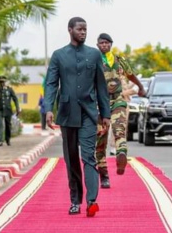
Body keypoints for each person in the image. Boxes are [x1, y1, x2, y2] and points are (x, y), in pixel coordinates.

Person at [44, 16, 111, 217]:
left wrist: (105, 113)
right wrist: (48, 108)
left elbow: (101, 85)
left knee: (88, 156)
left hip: (89, 113)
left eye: (85, 29)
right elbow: (51, 84)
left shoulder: (94, 54)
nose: (83, 32)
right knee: (71, 159)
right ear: (70, 30)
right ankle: (75, 200)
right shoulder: (59, 55)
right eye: (79, 29)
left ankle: (92, 200)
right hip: (66, 113)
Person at [94, 33, 146, 187]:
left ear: (111, 44)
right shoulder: (93, 60)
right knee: (100, 139)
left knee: (120, 129)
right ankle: (104, 175)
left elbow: (130, 75)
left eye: (107, 43)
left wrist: (141, 87)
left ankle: (121, 155)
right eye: (101, 43)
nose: (104, 45)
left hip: (118, 99)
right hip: (99, 102)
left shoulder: (119, 60)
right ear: (97, 45)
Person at [0, 76, 20, 146]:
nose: (2, 83)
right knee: (0, 125)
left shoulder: (9, 90)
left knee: (8, 125)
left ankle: (8, 139)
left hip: (8, 110)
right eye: (0, 82)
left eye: (3, 82)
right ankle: (0, 140)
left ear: (5, 82)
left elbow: (15, 99)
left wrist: (17, 108)